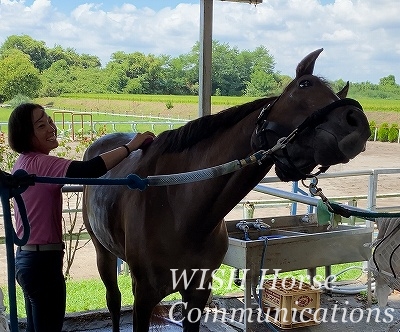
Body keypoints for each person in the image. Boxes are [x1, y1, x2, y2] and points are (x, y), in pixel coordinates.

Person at [8, 103, 155, 332]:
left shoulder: (24, 162)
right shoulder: (42, 164)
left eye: (49, 120)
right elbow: (91, 169)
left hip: (27, 260)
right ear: (27, 135)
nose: (51, 127)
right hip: (43, 265)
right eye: (41, 125)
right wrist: (131, 147)